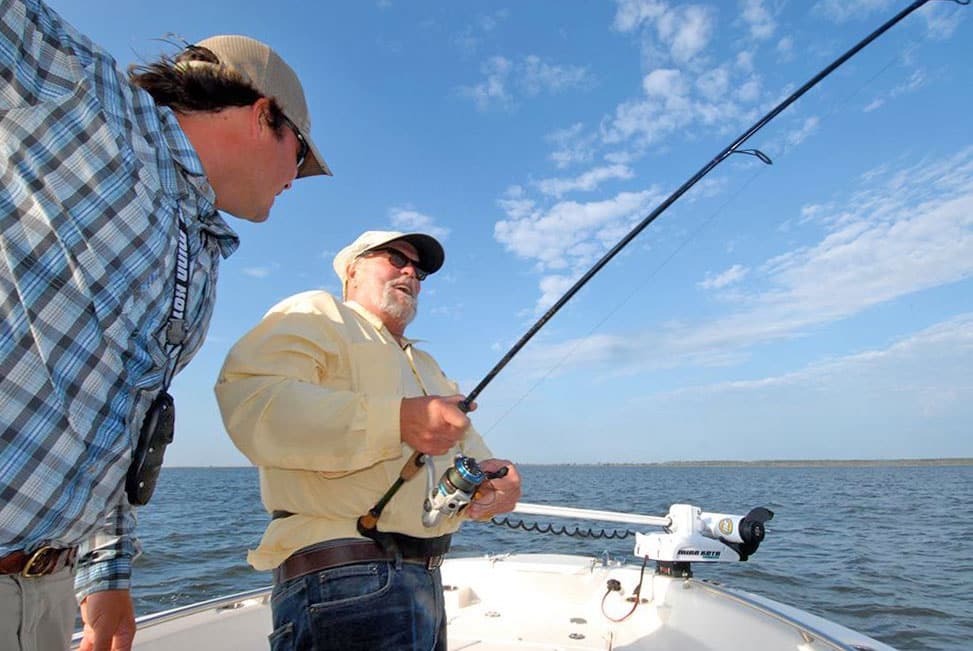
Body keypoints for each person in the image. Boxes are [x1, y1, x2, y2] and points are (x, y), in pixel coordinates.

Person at [0, 1, 331, 650]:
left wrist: (107, 575)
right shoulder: (81, 95)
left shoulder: (205, 260)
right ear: (264, 115)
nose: (297, 179)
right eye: (300, 156)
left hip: (49, 588)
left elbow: (116, 432)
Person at [215, 230, 522, 650]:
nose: (411, 271)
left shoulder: (428, 365)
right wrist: (396, 419)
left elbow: (475, 457)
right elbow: (255, 404)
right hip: (342, 577)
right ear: (352, 270)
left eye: (420, 270)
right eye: (396, 258)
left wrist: (499, 484)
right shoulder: (317, 313)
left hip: (427, 581)